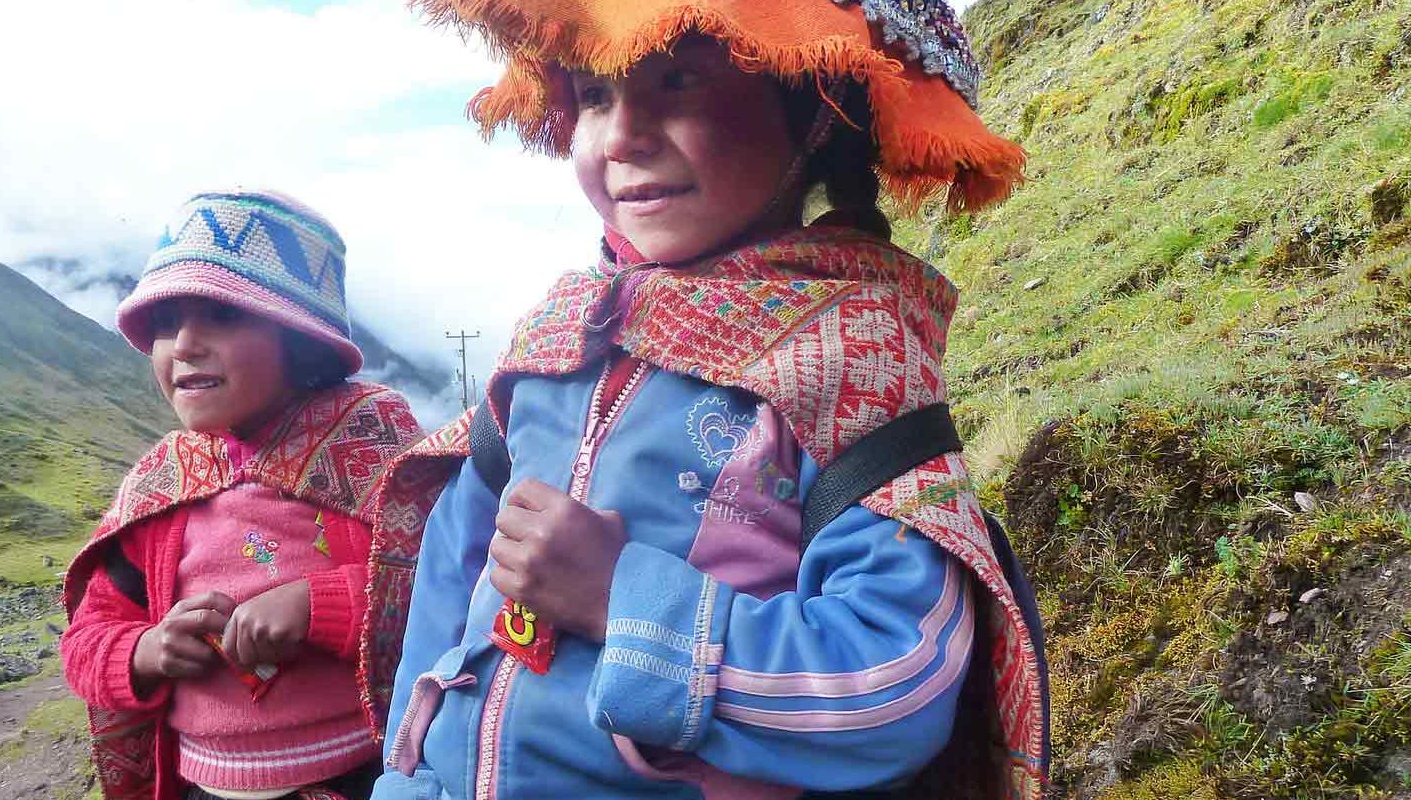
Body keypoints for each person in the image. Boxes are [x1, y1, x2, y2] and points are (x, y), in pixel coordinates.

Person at [368, 1, 1048, 797]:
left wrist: (617, 598)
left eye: (678, 79)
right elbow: (452, 566)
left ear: (815, 110)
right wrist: (406, 770)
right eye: (593, 95)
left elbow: (899, 674)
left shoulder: (853, 362)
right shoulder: (558, 339)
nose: (621, 137)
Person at [61, 191, 430, 800]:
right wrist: (148, 649)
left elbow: (446, 590)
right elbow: (87, 636)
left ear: (301, 341)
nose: (183, 345)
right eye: (165, 323)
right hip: (201, 784)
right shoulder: (164, 483)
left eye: (223, 316)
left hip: (363, 776)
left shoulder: (374, 448)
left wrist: (320, 605)